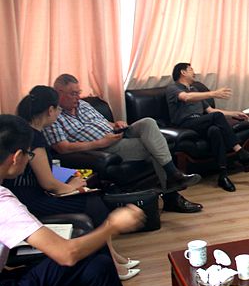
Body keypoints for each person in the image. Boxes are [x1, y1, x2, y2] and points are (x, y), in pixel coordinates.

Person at [0, 114, 158, 286]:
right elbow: (67, 254)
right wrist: (112, 226)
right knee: (86, 257)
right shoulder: (3, 202)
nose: (29, 159)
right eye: (28, 153)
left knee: (97, 265)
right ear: (16, 157)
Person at [4, 86, 140, 280]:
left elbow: (43, 172)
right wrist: (75, 187)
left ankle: (114, 258)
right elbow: (48, 183)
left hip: (30, 194)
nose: (59, 113)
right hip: (31, 200)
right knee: (93, 203)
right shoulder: (34, 137)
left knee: (94, 200)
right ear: (50, 110)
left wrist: (71, 182)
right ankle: (112, 265)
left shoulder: (30, 132)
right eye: (58, 109)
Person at [43, 74, 203, 214]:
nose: (78, 97)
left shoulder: (83, 105)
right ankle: (172, 192)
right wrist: (100, 143)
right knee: (155, 146)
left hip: (117, 134)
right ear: (59, 93)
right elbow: (62, 148)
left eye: (78, 92)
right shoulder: (53, 116)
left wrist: (116, 124)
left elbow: (104, 122)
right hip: (104, 147)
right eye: (73, 94)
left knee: (148, 122)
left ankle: (173, 178)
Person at [166, 63, 249, 192]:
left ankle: (223, 176)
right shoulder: (173, 88)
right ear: (183, 72)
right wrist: (213, 93)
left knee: (215, 130)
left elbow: (211, 111)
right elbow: (186, 97)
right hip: (185, 124)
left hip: (200, 122)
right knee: (216, 118)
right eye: (191, 70)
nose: (194, 73)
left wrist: (234, 113)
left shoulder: (195, 90)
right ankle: (240, 152)